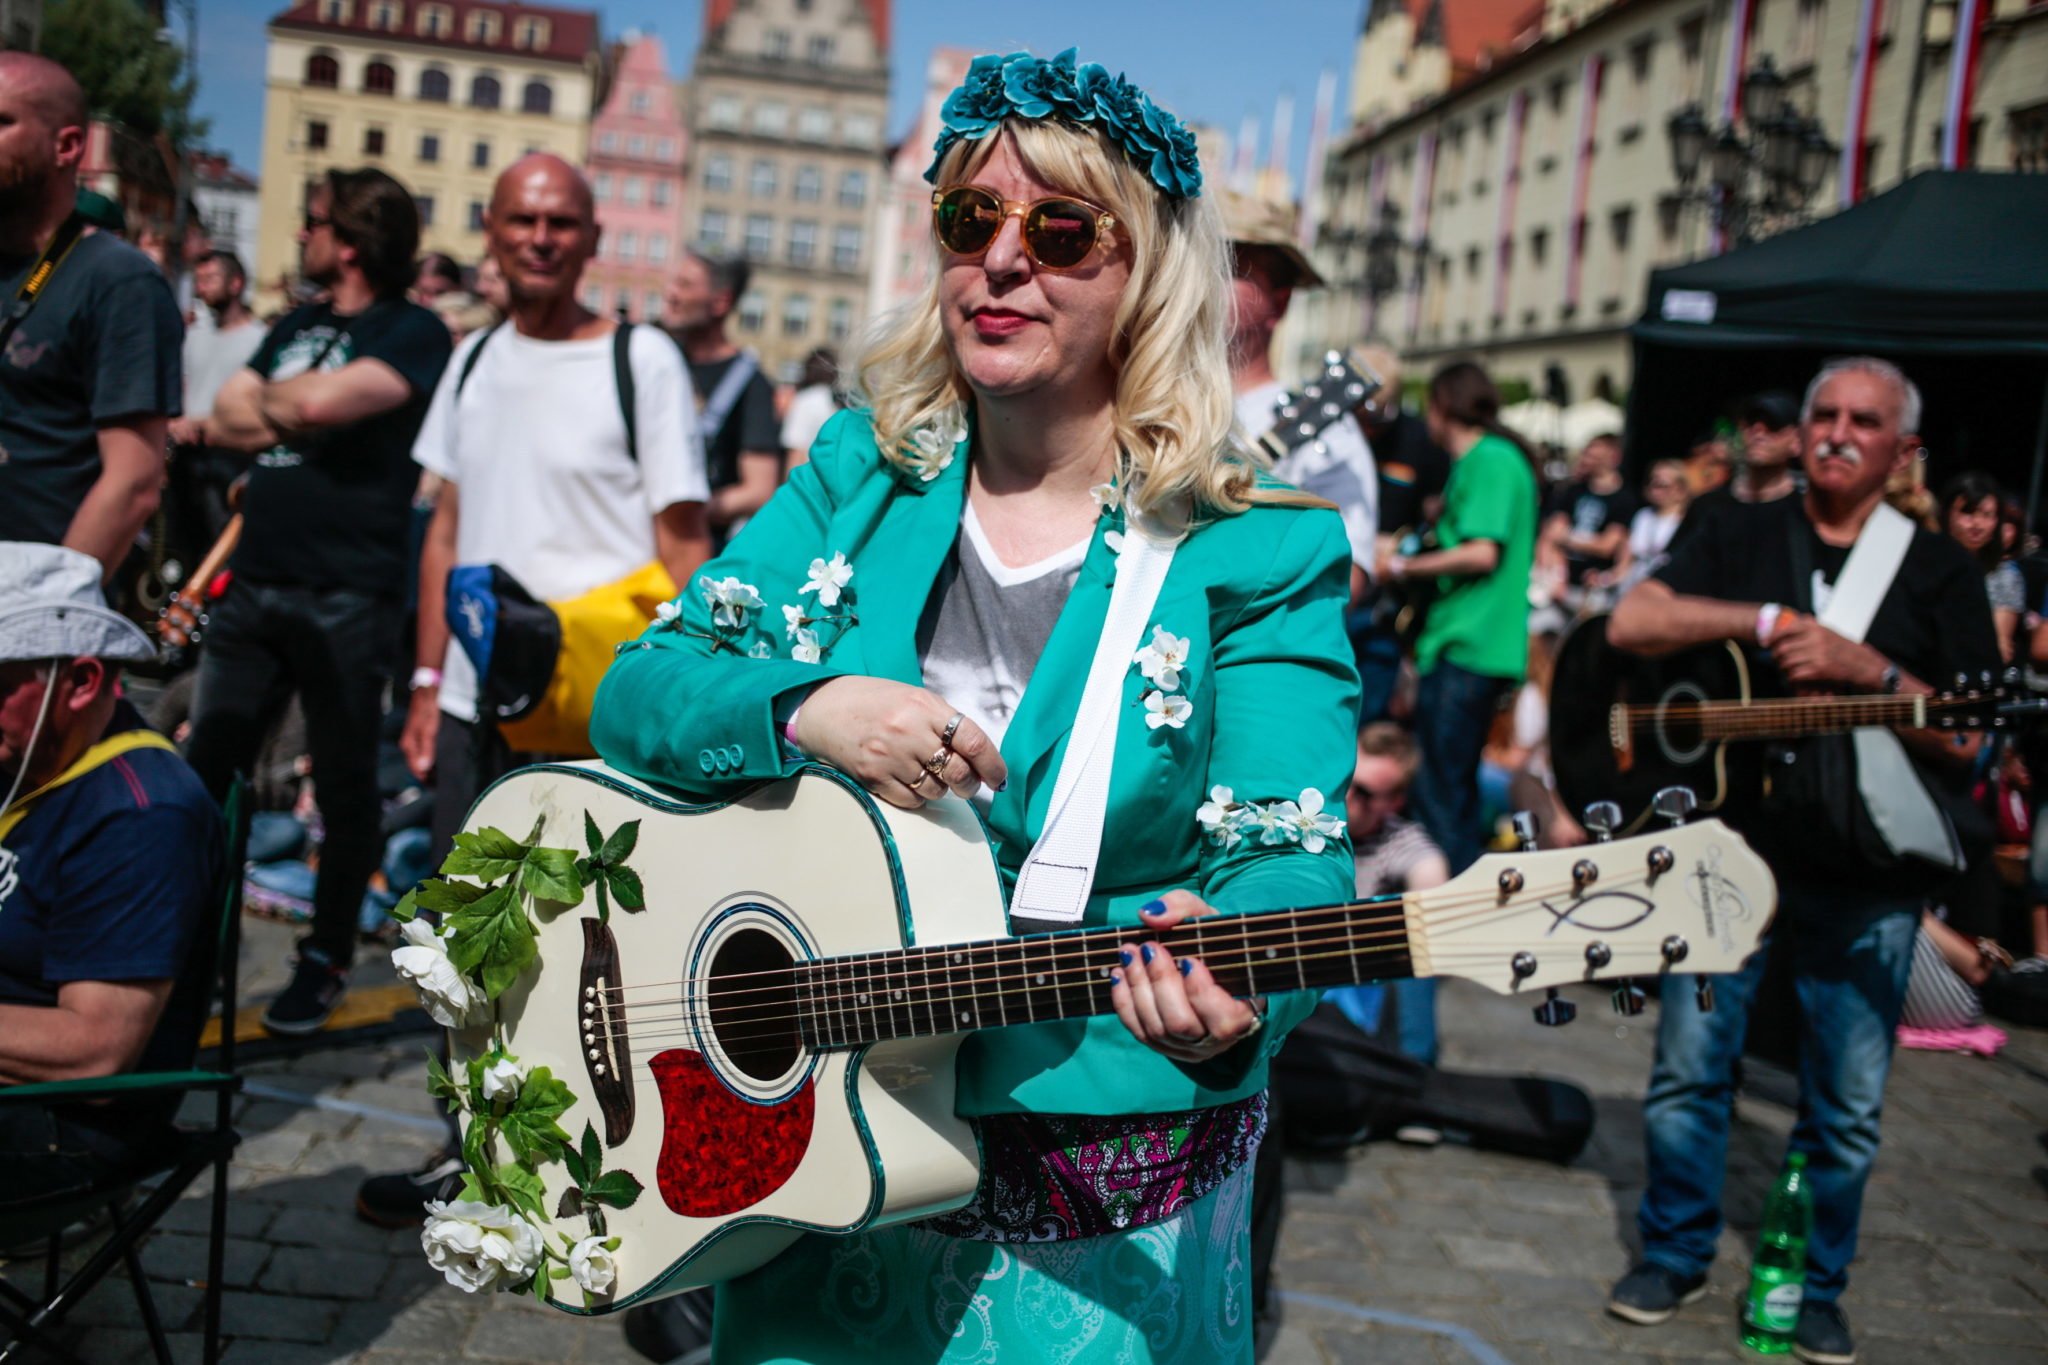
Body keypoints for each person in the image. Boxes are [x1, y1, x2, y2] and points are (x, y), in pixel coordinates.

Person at [590, 48, 1356, 1362]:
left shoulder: (1256, 546)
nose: (1003, 260)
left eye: (1062, 230)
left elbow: (1292, 856)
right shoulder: (859, 473)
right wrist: (810, 702)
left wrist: (1241, 986)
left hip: (1084, 1158)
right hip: (819, 1110)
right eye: (970, 218)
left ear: (1146, 274)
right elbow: (641, 689)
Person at [1603, 357, 1998, 1365]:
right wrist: (1767, 623)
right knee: (1688, 1073)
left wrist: (1865, 670)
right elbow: (1632, 621)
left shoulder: (1935, 570)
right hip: (1721, 858)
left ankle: (1815, 1286)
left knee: (1846, 1102)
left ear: (1900, 450)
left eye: (1861, 421)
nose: (1832, 432)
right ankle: (1672, 1250)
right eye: (1821, 413)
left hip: (1866, 876)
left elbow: (1968, 739)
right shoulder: (1736, 529)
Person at [358, 155, 715, 1229]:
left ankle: (593, 1167)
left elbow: (684, 539)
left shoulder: (638, 360)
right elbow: (448, 535)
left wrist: (694, 698)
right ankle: (470, 1154)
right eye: (523, 220)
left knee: (595, 940)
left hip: (597, 703)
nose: (542, 239)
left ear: (593, 236)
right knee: (464, 936)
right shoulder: (469, 360)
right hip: (478, 697)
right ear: (492, 230)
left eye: (562, 221)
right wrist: (427, 681)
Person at [185, 169, 453, 1036]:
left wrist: (284, 407)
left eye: (313, 224)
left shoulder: (413, 331)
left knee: (340, 787)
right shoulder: (298, 323)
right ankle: (177, 951)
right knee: (204, 770)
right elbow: (227, 416)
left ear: (350, 241)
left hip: (349, 593)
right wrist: (287, 409)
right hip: (257, 580)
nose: (300, 236)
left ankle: (326, 956)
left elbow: (320, 401)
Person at [0, 543, 223, 1205]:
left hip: (67, 1123)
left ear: (82, 681)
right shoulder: (24, 755)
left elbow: (93, 1051)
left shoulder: (140, 813)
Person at [1374, 361, 1535, 1064]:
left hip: (1471, 646)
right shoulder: (1488, 461)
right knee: (1446, 790)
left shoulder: (1492, 458)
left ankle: (1454, 926)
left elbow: (1481, 551)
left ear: (1441, 406)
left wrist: (1403, 567)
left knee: (1444, 796)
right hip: (1459, 645)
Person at [0, 54, 183, 577]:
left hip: (26, 616)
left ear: (67, 146)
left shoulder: (117, 281)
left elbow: (132, 485)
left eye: (2, 122)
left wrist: (43, 619)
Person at [1221, 189, 1378, 603]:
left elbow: (1346, 579)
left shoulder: (1331, 433)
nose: (1202, 278)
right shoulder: (1138, 400)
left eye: (1230, 264)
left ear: (1280, 301)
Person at [1321, 723, 1448, 1037]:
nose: (1346, 796)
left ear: (1393, 803)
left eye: (1363, 792)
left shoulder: (1397, 841)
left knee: (1416, 958)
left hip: (1348, 992)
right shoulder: (1308, 812)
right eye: (1344, 781)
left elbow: (1430, 873)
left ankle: (1411, 1074)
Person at [1350, 340, 1450, 724]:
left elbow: (1441, 513)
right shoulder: (1331, 435)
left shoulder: (1418, 440)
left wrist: (1406, 544)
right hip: (1335, 586)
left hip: (1384, 602)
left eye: (1375, 416)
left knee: (1370, 713)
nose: (1367, 427)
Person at [660, 250, 780, 548]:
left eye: (685, 285)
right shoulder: (655, 359)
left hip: (691, 551)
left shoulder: (750, 383)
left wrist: (684, 511)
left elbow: (759, 489)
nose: (670, 294)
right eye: (673, 282)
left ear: (721, 301)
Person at [168, 250, 266, 546]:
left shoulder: (258, 338)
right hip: (186, 454)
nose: (202, 287)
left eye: (211, 278)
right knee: (180, 541)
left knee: (220, 541)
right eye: (199, 280)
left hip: (228, 457)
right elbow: (183, 385)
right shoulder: (194, 335)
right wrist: (176, 422)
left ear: (236, 284)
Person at [1671, 390, 1802, 554]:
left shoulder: (1806, 511)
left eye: (1773, 424)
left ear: (1797, 440)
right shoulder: (1708, 506)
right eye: (1750, 422)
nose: (1758, 432)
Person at [1536, 432, 1635, 612]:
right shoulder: (1573, 491)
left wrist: (1566, 537)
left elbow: (1607, 546)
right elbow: (1551, 534)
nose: (1588, 459)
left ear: (1613, 458)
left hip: (1594, 586)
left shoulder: (1625, 499)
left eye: (1596, 456)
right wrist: (1556, 574)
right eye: (1588, 453)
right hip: (1561, 582)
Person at [1939, 471, 2024, 663]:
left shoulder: (2004, 577)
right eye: (1967, 512)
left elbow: (1999, 648)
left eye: (1987, 515)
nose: (1977, 524)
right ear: (1947, 514)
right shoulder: (1923, 561)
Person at [1625, 458, 1691, 582]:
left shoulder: (1687, 524)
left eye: (1662, 485)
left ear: (1680, 490)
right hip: (1633, 585)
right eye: (1651, 482)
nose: (1654, 489)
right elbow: (1626, 560)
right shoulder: (1643, 516)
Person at [780, 345, 842, 470]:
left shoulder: (805, 401)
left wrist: (788, 487)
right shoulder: (836, 402)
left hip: (808, 480)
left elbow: (796, 452)